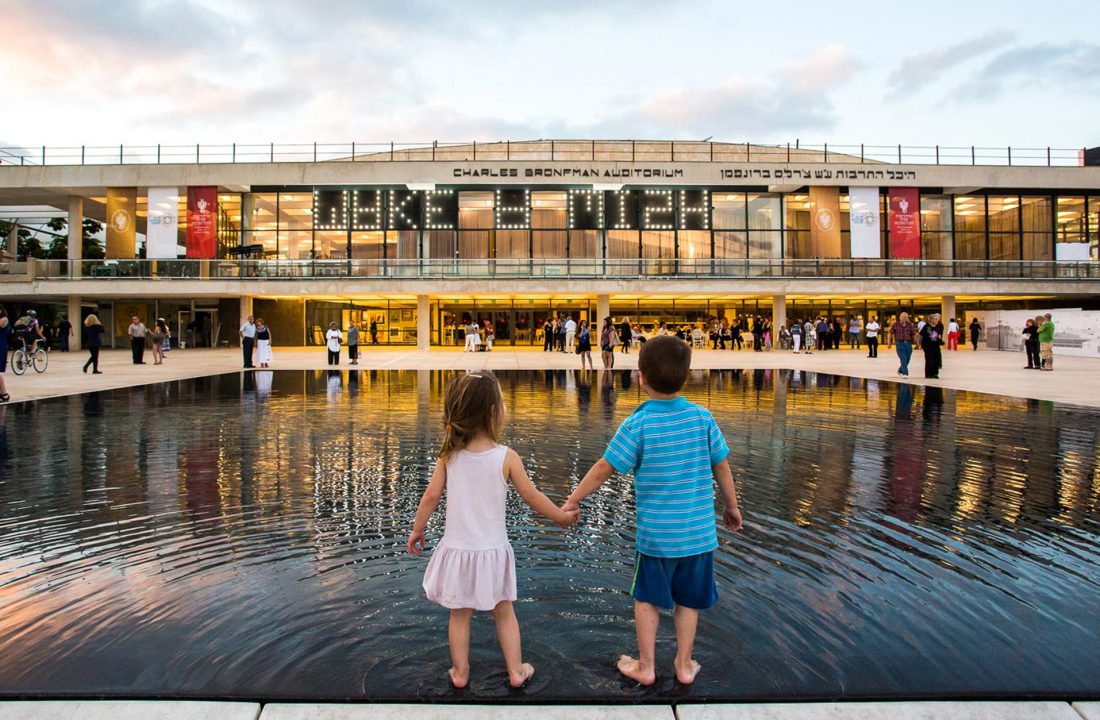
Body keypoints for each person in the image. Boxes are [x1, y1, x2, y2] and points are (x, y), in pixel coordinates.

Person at [562, 336, 743, 686]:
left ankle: (646, 666)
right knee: (688, 601)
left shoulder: (639, 425)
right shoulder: (703, 418)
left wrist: (574, 498)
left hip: (658, 539)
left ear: (641, 377)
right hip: (699, 536)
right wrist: (732, 506)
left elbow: (605, 467)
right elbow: (722, 465)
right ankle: (684, 663)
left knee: (647, 599)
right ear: (686, 376)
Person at [407, 372, 577, 689]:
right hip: (493, 552)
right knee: (504, 612)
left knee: (459, 615)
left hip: (459, 550)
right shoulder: (506, 457)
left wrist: (418, 530)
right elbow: (532, 496)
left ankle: (459, 674)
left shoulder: (449, 455)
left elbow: (430, 496)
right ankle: (516, 670)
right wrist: (561, 517)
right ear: (494, 411)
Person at [919, 312, 945, 379]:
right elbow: (933, 337)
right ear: (931, 320)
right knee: (929, 359)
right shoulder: (927, 327)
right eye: (935, 319)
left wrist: (940, 340)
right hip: (928, 346)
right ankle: (929, 374)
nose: (937, 320)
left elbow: (939, 335)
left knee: (937, 358)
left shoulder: (938, 326)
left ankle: (935, 373)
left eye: (937, 319)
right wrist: (920, 344)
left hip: (935, 345)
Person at [893, 311, 916, 376]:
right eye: (902, 317)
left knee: (907, 358)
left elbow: (913, 334)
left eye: (905, 317)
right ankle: (905, 373)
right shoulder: (896, 324)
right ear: (900, 317)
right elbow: (890, 332)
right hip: (900, 343)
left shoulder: (910, 325)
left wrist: (917, 343)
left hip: (908, 344)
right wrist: (889, 342)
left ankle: (900, 370)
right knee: (903, 358)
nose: (904, 318)